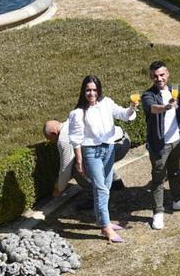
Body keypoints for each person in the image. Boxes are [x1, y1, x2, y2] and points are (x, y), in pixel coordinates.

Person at [67, 76, 137, 243]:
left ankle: (101, 220)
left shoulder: (106, 103)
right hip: (91, 152)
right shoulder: (78, 113)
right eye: (88, 90)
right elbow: (76, 139)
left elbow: (123, 114)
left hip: (109, 148)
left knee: (105, 186)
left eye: (94, 90)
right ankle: (106, 227)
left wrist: (132, 108)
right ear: (83, 92)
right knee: (101, 189)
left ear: (99, 90)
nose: (91, 93)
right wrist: (79, 161)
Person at [140, 61, 180, 230]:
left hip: (176, 141)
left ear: (168, 74)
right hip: (160, 143)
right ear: (151, 77)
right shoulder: (148, 95)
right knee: (158, 178)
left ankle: (178, 200)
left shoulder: (174, 91)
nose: (159, 78)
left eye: (162, 75)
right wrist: (167, 106)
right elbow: (153, 109)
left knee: (175, 171)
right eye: (155, 76)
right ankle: (158, 212)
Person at [45, 119, 130, 209]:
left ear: (54, 133)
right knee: (92, 155)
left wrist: (59, 188)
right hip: (124, 140)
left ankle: (96, 198)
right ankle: (116, 182)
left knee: (76, 167)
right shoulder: (72, 121)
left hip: (114, 148)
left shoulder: (63, 139)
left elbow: (66, 168)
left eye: (50, 139)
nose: (52, 142)